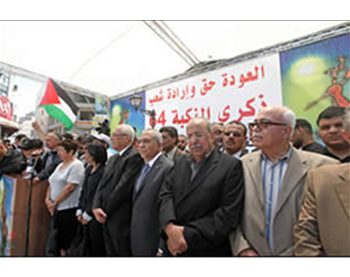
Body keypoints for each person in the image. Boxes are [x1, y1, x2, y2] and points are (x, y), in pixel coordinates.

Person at [230, 105, 338, 256]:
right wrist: (242, 249)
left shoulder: (322, 167)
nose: (256, 129)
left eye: (264, 124)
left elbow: (329, 223)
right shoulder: (242, 164)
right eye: (254, 124)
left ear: (286, 131)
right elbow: (231, 213)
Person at [158, 118, 244, 256]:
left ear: (211, 136)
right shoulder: (180, 162)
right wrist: (169, 227)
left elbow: (228, 214)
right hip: (172, 245)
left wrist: (184, 234)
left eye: (198, 135)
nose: (193, 141)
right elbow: (166, 195)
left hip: (205, 247)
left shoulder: (230, 166)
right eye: (189, 136)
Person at [294, 106, 350, 256]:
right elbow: (306, 232)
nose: (332, 131)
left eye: (338, 125)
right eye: (326, 127)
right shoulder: (316, 173)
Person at [92, 124, 143, 256]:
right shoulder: (114, 158)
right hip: (105, 216)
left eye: (115, 135)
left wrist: (105, 209)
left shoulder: (134, 157)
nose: (112, 138)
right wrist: (96, 206)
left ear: (127, 138)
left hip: (120, 217)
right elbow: (102, 185)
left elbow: (123, 188)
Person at [131, 129, 173, 256]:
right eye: (140, 142)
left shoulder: (167, 168)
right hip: (138, 235)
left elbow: (167, 208)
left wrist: (162, 244)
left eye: (147, 141)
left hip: (153, 239)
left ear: (160, 145)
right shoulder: (143, 166)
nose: (141, 145)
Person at [45, 139, 85, 256]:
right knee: (56, 240)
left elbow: (70, 187)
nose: (59, 153)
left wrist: (55, 202)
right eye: (58, 150)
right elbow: (51, 182)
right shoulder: (59, 165)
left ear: (71, 151)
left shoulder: (76, 165)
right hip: (55, 208)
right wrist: (47, 199)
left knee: (65, 241)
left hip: (68, 208)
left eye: (61, 151)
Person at [76, 143, 107, 256]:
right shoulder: (89, 169)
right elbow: (84, 190)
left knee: (96, 246)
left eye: (87, 153)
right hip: (84, 211)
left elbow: (99, 194)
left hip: (94, 215)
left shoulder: (103, 171)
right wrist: (80, 209)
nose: (85, 155)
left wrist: (88, 213)